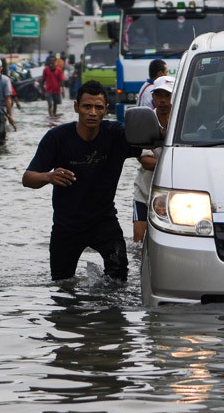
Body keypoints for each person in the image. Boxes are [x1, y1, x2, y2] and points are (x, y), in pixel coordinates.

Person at [22, 80, 143, 281]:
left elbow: (153, 142)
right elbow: (27, 178)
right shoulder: (57, 138)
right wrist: (48, 177)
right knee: (62, 285)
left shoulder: (116, 135)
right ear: (77, 107)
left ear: (106, 110)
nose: (92, 112)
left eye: (98, 107)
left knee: (119, 277)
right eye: (87, 106)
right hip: (67, 225)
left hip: (104, 221)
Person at [132, 75, 175, 243]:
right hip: (144, 192)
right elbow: (145, 161)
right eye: (159, 95)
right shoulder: (145, 121)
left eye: (167, 96)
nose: (163, 100)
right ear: (153, 97)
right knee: (138, 240)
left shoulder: (183, 122)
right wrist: (176, 165)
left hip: (171, 193)